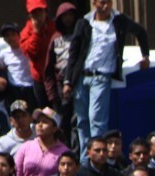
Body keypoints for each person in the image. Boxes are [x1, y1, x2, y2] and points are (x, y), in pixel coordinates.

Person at [63, 0, 149, 148]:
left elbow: (140, 31)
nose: (105, 6)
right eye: (102, 2)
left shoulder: (119, 20)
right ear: (94, 3)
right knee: (82, 121)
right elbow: (74, 53)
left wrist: (145, 55)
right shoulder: (85, 22)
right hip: (81, 77)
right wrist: (68, 81)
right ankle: (85, 159)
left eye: (108, 2)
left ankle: (98, 156)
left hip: (101, 76)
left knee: (96, 120)